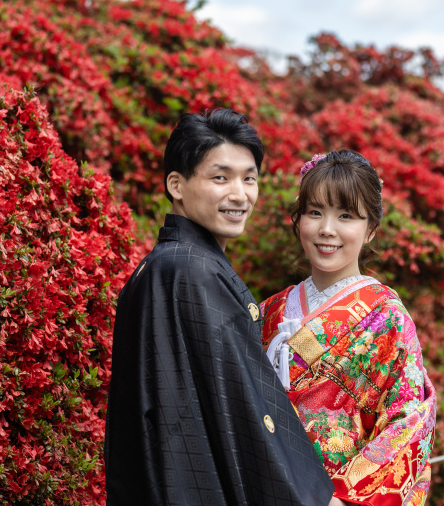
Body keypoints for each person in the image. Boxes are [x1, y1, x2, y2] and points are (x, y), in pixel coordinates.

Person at [105, 109, 335, 505]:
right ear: (176, 185)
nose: (240, 194)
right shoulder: (192, 271)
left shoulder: (163, 265)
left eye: (249, 178)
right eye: (220, 178)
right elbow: (246, 407)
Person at [260, 150, 437, 506]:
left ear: (370, 230)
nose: (327, 229)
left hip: (336, 497)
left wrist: (343, 499)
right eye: (314, 212)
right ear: (298, 220)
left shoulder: (386, 317)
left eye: (346, 216)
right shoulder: (270, 310)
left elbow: (408, 420)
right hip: (264, 483)